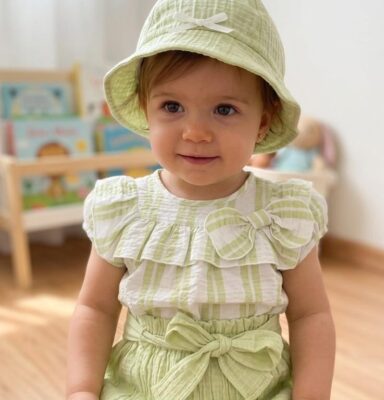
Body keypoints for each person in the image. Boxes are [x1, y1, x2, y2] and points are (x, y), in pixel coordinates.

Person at [66, 0, 335, 399]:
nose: (195, 132)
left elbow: (311, 314)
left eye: (224, 109)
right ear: (146, 109)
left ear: (262, 122)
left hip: (258, 388)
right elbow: (96, 308)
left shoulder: (281, 214)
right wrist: (81, 389)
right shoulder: (125, 210)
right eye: (172, 106)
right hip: (145, 389)